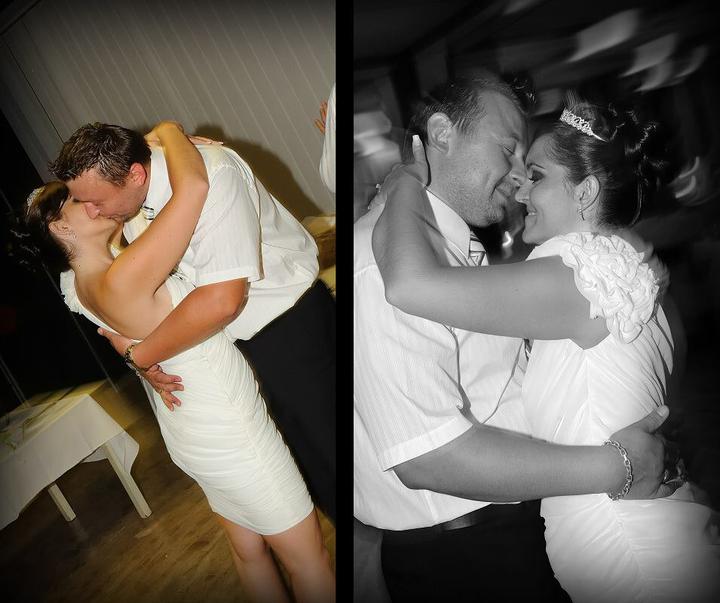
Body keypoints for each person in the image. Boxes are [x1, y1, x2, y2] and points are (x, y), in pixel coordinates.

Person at [372, 90, 720, 602]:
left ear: (586, 192)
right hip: (644, 526)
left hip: (626, 545)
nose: (520, 190)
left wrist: (404, 182)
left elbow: (406, 286)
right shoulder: (634, 273)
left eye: (536, 176)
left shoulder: (578, 272)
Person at [23, 122, 335, 603]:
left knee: (249, 551)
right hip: (229, 424)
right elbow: (192, 189)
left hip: (191, 422)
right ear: (61, 228)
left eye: (93, 199)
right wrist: (170, 131)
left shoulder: (77, 284)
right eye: (83, 204)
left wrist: (136, 355)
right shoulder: (122, 273)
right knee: (308, 555)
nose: (95, 208)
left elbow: (115, 333)